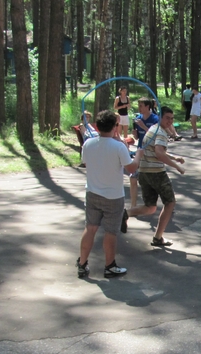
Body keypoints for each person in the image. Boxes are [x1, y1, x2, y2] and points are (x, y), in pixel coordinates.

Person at [76, 110, 139, 279]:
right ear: (115, 126)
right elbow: (131, 168)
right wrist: (138, 155)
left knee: (90, 228)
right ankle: (109, 266)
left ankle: (82, 264)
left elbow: (85, 162)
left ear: (97, 126)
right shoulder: (118, 147)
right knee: (110, 232)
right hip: (113, 197)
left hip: (92, 193)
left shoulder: (88, 144)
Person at [126, 106, 185, 247]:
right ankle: (158, 238)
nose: (170, 121)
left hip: (144, 172)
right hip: (156, 173)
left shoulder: (153, 128)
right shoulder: (161, 132)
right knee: (170, 203)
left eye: (172, 118)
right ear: (160, 117)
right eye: (167, 118)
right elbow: (159, 153)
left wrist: (174, 157)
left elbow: (155, 150)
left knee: (150, 207)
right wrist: (177, 166)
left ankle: (124, 213)